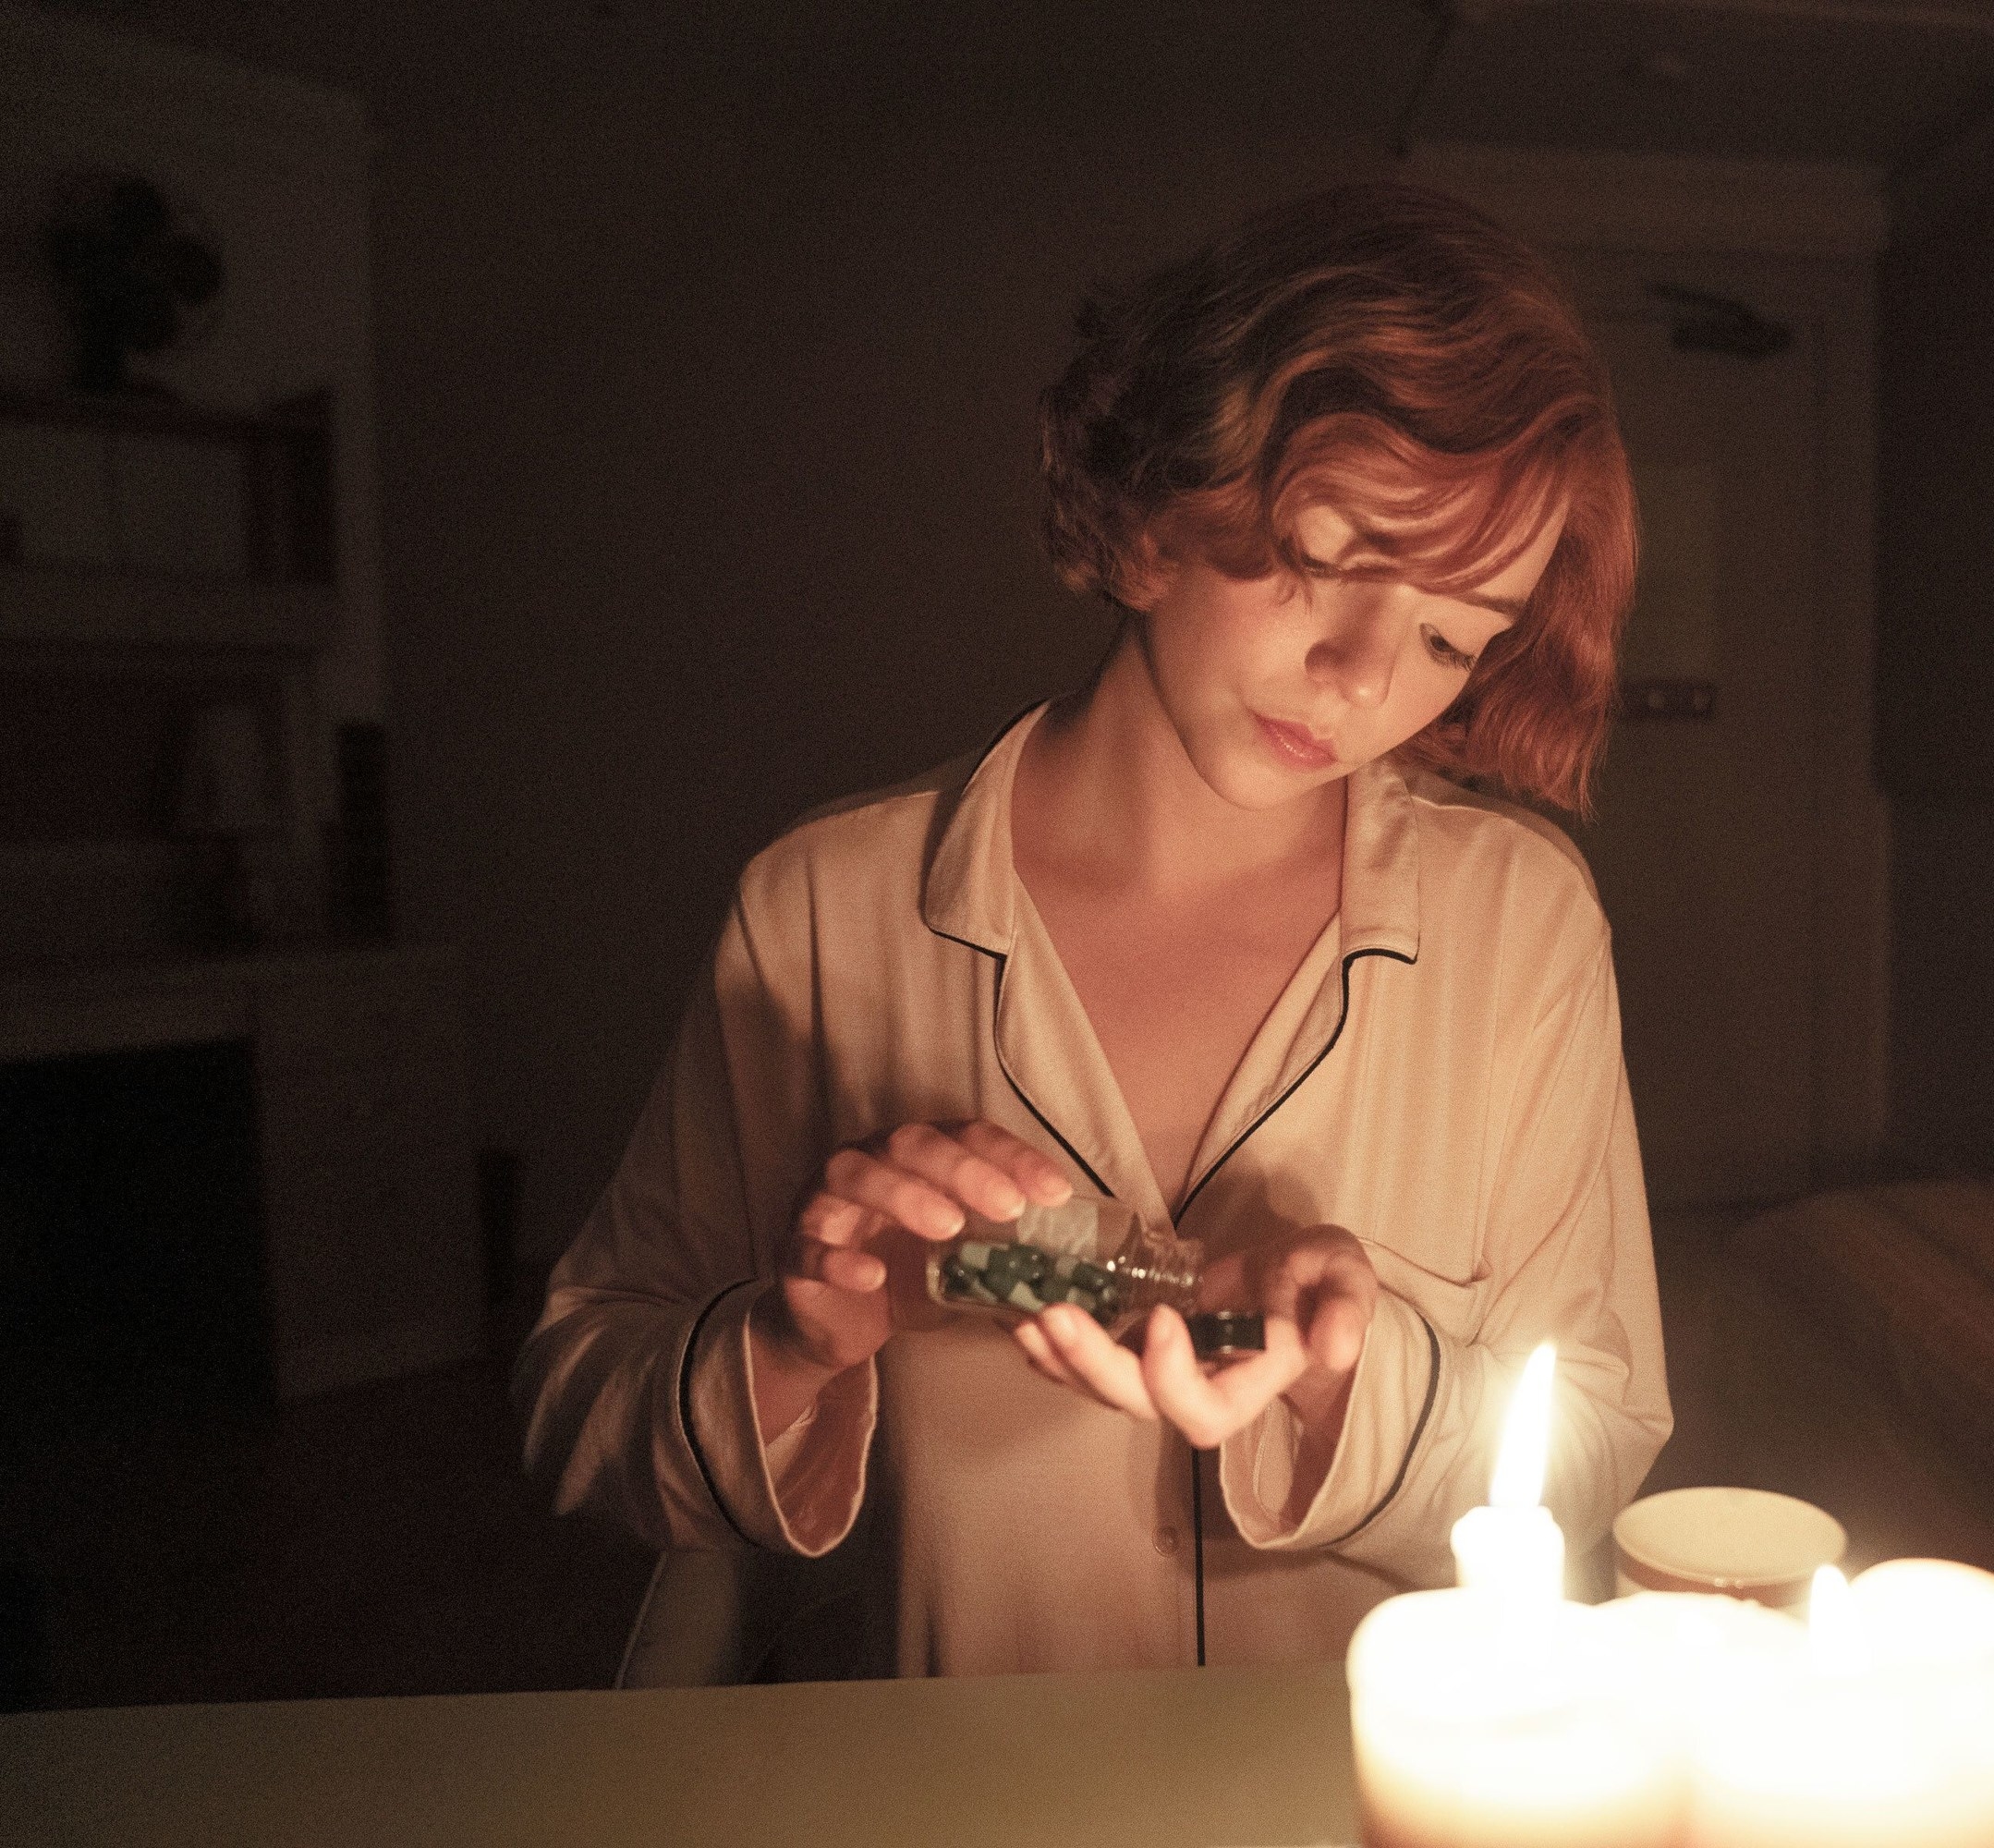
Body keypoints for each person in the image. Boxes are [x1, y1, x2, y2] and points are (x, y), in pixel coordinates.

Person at [516, 181, 1671, 1678]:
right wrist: (799, 1344)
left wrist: (1334, 1379)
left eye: (1454, 636)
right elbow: (578, 1401)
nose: (1363, 675)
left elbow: (1596, 1438)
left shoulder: (1520, 929)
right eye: (1327, 559)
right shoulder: (823, 911)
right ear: (1155, 507)